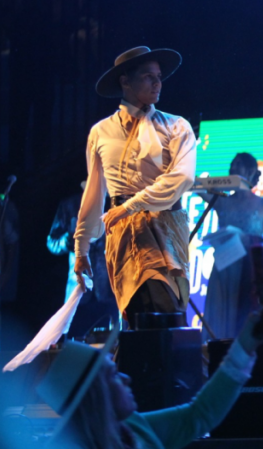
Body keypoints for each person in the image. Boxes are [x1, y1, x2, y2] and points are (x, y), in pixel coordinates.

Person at [73, 47, 197, 330]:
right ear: (125, 81)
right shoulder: (102, 132)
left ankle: (159, 356)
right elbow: (94, 193)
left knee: (168, 309)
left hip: (166, 227)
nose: (157, 83)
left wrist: (131, 206)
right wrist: (81, 249)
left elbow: (182, 178)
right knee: (143, 310)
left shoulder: (176, 126)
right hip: (125, 235)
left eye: (159, 76)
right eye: (148, 77)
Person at [38, 312, 263, 449]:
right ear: (95, 395)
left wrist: (245, 345)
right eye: (113, 375)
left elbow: (196, 415)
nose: (126, 378)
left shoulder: (132, 427)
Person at [201, 153, 263, 339]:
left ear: (251, 171)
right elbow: (195, 187)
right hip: (225, 267)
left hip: (250, 269)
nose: (233, 169)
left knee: (246, 313)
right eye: (232, 166)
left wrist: (251, 241)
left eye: (239, 165)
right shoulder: (222, 200)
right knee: (221, 316)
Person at [47, 185, 119, 339]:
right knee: (74, 343)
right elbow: (52, 242)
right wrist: (67, 241)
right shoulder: (70, 206)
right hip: (78, 291)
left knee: (109, 346)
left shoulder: (116, 205)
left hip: (109, 291)